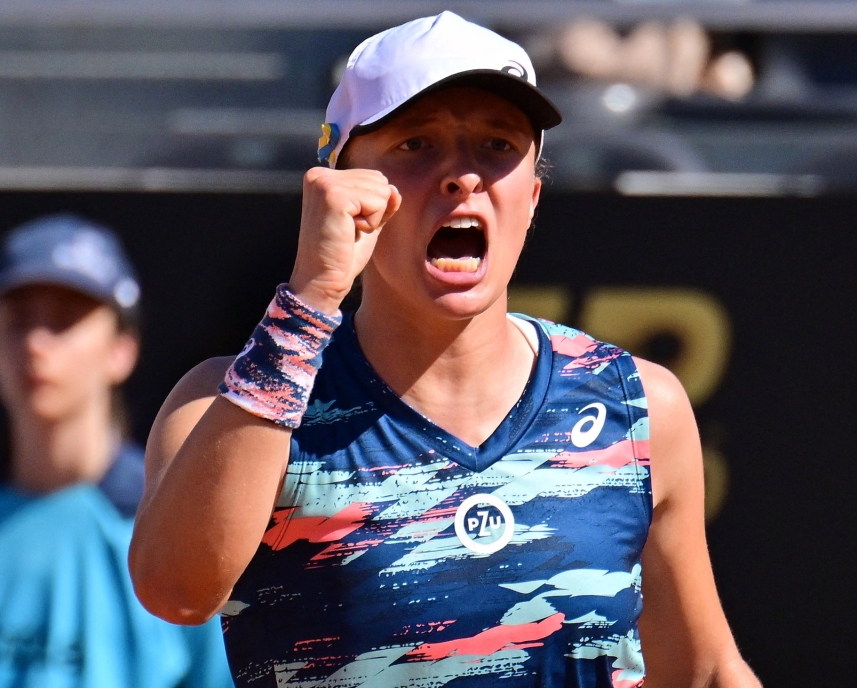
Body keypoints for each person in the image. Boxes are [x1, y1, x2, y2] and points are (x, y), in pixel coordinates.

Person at [129, 12, 760, 688]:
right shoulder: (226, 403)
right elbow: (178, 592)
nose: (462, 176)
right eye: (417, 144)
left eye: (496, 144)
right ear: (338, 186)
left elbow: (704, 671)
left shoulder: (638, 404)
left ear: (533, 196)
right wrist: (310, 297)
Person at [0, 214, 234, 688]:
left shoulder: (174, 527)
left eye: (65, 321)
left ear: (121, 350)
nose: (36, 343)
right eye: (19, 320)